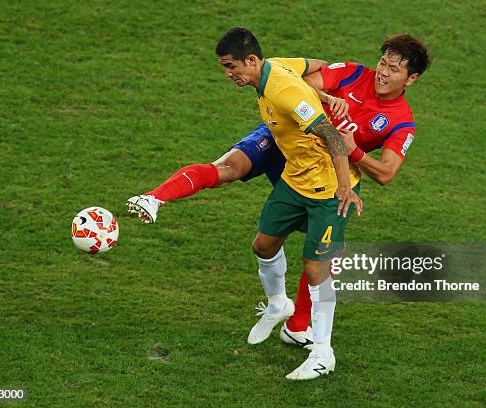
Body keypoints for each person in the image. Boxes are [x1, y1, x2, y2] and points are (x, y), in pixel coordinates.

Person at [128, 31, 431, 378]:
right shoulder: (349, 73)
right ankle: (278, 306)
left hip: (327, 180)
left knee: (317, 264)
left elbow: (387, 172)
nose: (382, 72)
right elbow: (299, 83)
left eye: (394, 69)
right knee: (260, 236)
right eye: (382, 62)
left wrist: (354, 152)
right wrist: (324, 98)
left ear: (412, 78)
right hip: (286, 144)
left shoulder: (401, 121)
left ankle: (320, 348)